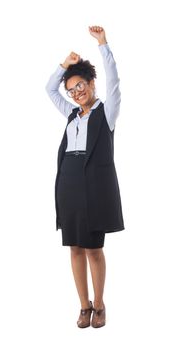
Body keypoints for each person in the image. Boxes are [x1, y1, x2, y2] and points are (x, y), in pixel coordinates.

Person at [46, 26, 124, 328]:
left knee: (93, 247)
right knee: (74, 247)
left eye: (81, 86)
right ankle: (83, 306)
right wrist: (64, 66)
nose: (77, 92)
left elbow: (114, 81)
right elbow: (49, 89)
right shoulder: (70, 113)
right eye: (72, 89)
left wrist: (104, 44)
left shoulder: (106, 112)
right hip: (69, 182)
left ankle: (100, 304)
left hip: (94, 186)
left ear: (92, 84)